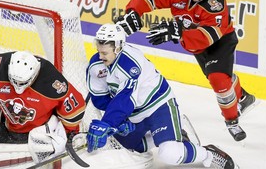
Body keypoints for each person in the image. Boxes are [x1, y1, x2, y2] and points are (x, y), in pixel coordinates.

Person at [115, 0, 257, 142]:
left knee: (218, 80)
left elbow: (208, 37)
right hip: (195, 43)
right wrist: (133, 12)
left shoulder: (215, 4)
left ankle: (232, 121)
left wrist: (178, 32)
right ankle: (243, 97)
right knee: (222, 79)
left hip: (219, 42)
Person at [86, 23, 237, 169]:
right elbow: (101, 99)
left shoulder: (130, 63)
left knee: (170, 154)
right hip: (134, 113)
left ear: (118, 48)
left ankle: (207, 154)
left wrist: (108, 123)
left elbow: (125, 99)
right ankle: (171, 132)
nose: (100, 56)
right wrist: (119, 122)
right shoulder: (95, 66)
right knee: (129, 147)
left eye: (105, 53)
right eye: (99, 51)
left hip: (158, 106)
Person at [0, 51, 86, 162]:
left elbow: (75, 111)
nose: (18, 87)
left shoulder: (52, 82)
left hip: (38, 134)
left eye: (22, 83)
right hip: (5, 124)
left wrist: (68, 134)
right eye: (14, 81)